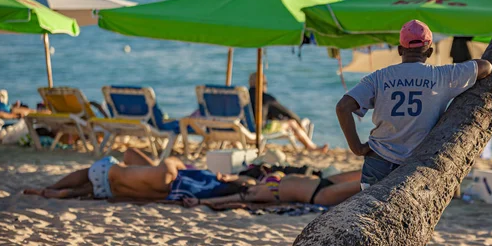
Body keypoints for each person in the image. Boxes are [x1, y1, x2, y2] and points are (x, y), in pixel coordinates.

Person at [336, 20, 492, 246]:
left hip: (377, 163)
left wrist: (356, 147)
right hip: (415, 168)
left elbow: (343, 107)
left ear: (400, 50)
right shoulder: (442, 76)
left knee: (373, 229)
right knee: (416, 234)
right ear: (429, 51)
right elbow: (486, 67)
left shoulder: (379, 77)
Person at [23, 148, 252, 201]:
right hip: (118, 190)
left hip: (164, 176)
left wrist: (177, 161)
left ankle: (51, 188)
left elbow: (171, 163)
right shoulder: (212, 192)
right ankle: (63, 192)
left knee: (125, 154)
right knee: (95, 185)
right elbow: (247, 185)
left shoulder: (217, 179)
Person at [182, 169, 361, 208]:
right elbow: (226, 200)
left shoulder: (255, 183)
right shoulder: (250, 193)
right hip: (318, 194)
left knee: (370, 168)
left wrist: (232, 176)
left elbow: (245, 178)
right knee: (366, 185)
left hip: (322, 181)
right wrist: (200, 201)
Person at [248, 72, 328, 153]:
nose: (266, 86)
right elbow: (287, 113)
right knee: (292, 123)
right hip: (259, 129)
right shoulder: (266, 98)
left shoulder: (244, 96)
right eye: (265, 83)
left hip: (245, 128)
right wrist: (299, 122)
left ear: (250, 83)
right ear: (261, 84)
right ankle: (311, 146)